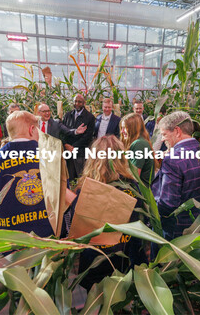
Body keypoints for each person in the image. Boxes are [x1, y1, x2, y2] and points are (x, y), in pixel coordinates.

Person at [71, 135, 147, 291]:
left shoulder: (86, 187)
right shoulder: (131, 186)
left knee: (95, 299)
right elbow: (140, 220)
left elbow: (77, 222)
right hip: (123, 258)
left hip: (94, 260)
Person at [0, 111, 54, 237]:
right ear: (32, 129)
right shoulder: (51, 158)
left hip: (12, 241)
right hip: (49, 236)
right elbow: (63, 200)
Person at [152, 111, 200, 240]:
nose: (163, 139)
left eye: (164, 134)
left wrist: (153, 212)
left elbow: (169, 203)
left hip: (178, 230)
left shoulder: (173, 159)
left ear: (177, 131)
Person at [61, 94, 96, 180]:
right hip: (67, 151)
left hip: (80, 152)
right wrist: (66, 144)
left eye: (79, 102)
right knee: (67, 176)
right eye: (75, 101)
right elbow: (63, 132)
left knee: (80, 176)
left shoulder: (90, 117)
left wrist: (73, 147)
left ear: (84, 103)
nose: (77, 103)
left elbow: (88, 136)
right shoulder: (68, 115)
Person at [120, 113, 156, 187]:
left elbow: (134, 176)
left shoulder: (139, 144)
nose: (122, 131)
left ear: (133, 128)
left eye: (125, 128)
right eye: (121, 128)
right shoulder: (140, 142)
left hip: (141, 192)